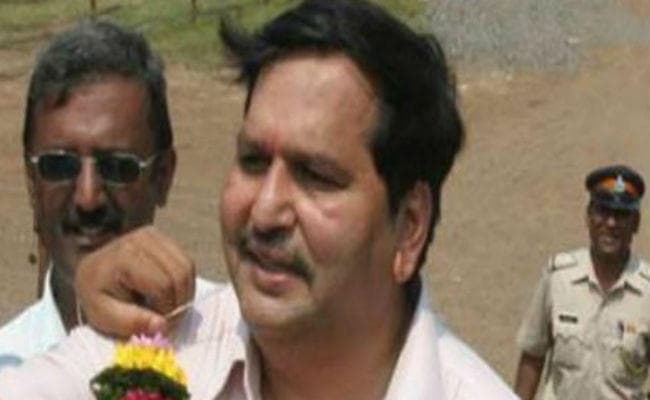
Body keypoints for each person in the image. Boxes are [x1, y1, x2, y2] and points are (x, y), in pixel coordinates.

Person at [0, 1, 516, 398]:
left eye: (316, 176)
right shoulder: (155, 348)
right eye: (252, 161)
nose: (265, 211)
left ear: (409, 227)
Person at [0, 19, 214, 369]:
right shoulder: (9, 371)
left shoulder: (229, 346)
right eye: (59, 166)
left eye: (117, 167)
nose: (88, 198)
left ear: (163, 176)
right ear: (31, 180)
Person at [514, 165, 650, 399]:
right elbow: (533, 356)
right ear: (588, 217)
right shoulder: (559, 278)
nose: (610, 223)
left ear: (636, 223)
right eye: (602, 211)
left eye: (621, 215)